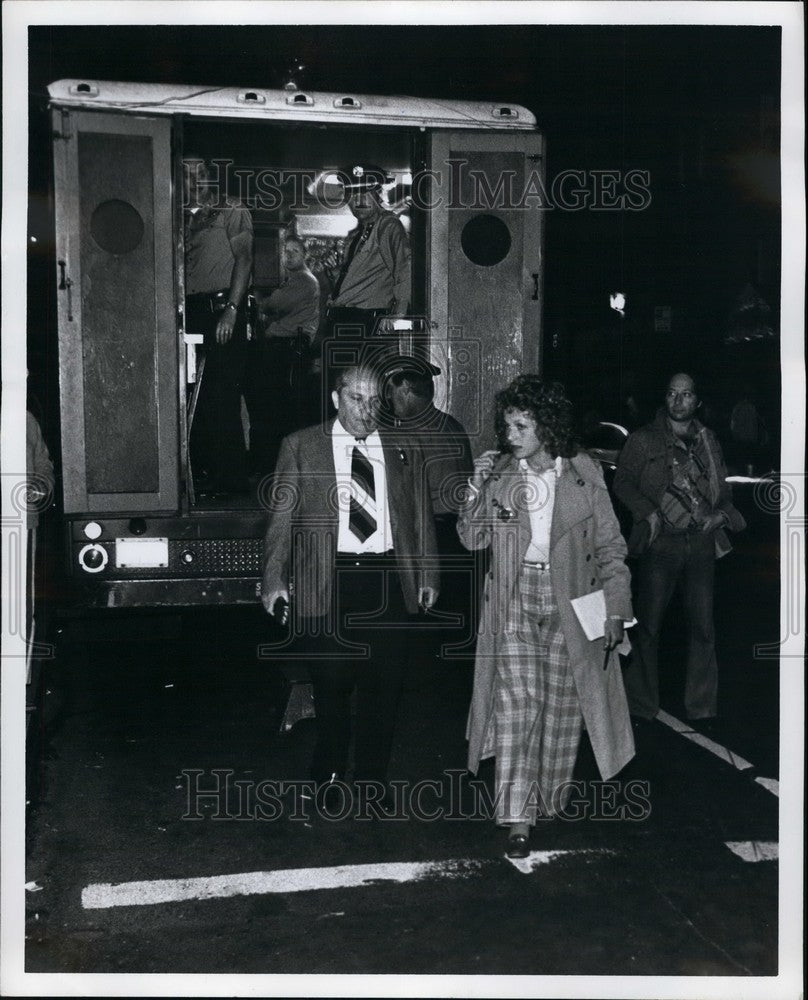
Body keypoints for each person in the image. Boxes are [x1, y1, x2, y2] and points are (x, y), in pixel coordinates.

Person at [458, 375, 634, 858]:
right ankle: (517, 817)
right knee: (519, 704)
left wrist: (616, 611)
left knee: (562, 706)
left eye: (520, 425)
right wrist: (475, 489)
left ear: (547, 427)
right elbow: (471, 540)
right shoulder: (500, 473)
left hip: (572, 600)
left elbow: (612, 549)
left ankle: (548, 797)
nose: (509, 434)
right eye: (506, 424)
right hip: (514, 597)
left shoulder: (584, 472)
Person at [261, 364, 438, 804]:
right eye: (356, 399)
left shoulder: (402, 445)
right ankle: (330, 772)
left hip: (385, 579)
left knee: (385, 684)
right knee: (332, 682)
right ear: (337, 399)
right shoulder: (301, 446)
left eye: (375, 400)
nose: (366, 410)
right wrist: (273, 580)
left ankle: (373, 779)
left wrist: (428, 574)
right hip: (328, 577)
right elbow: (281, 519)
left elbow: (419, 516)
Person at [613, 373, 746, 723]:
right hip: (662, 545)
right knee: (649, 627)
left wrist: (720, 517)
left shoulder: (708, 440)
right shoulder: (643, 440)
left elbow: (723, 491)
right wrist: (648, 512)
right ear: (665, 397)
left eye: (686, 395)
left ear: (696, 401)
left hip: (701, 544)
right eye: (672, 393)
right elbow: (622, 482)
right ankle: (641, 705)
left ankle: (701, 707)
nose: (678, 400)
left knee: (703, 628)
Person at [384, 355, 475, 640]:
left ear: (407, 389)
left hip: (431, 540)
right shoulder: (452, 425)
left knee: (426, 630)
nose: (389, 399)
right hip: (462, 538)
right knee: (456, 629)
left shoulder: (408, 435)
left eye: (392, 391)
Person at [184, 156, 254, 494]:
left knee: (223, 398)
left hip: (221, 309)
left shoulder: (231, 209)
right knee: (195, 395)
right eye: (186, 175)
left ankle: (233, 484)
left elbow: (244, 258)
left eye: (200, 172)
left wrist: (232, 309)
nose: (194, 180)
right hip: (193, 312)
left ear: (211, 176)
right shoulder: (185, 217)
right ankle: (204, 478)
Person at [321, 164, 411, 415]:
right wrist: (335, 274)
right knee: (339, 396)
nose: (358, 201)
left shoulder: (388, 227)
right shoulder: (357, 235)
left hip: (361, 325)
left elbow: (404, 271)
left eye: (364, 193)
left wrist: (396, 316)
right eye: (352, 194)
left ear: (378, 194)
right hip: (343, 322)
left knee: (358, 395)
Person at [245, 236, 320, 477]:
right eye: (285, 251)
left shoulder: (305, 282)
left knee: (278, 409)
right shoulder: (291, 281)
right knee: (273, 409)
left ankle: (274, 468)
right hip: (282, 349)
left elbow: (273, 305)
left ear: (305, 254)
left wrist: (260, 300)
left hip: (288, 351)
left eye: (294, 251)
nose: (288, 255)